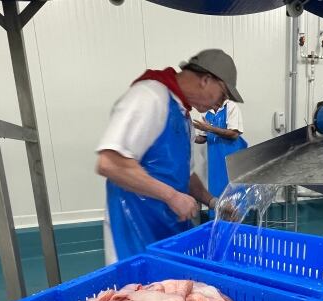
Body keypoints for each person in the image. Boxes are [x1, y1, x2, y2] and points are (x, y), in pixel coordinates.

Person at [95, 49, 243, 264]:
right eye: (222, 94)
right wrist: (172, 197)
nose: (219, 104)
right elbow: (110, 163)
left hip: (167, 230)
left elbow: (186, 173)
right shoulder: (149, 96)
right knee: (136, 294)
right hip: (134, 230)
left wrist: (213, 202)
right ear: (206, 80)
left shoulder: (182, 114)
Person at [193, 99, 248, 201]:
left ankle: (235, 215)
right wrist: (188, 135)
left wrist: (209, 128)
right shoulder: (205, 111)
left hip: (233, 160)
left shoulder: (231, 107)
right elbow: (202, 138)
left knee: (235, 194)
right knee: (217, 192)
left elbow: (234, 134)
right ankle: (217, 215)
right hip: (215, 161)